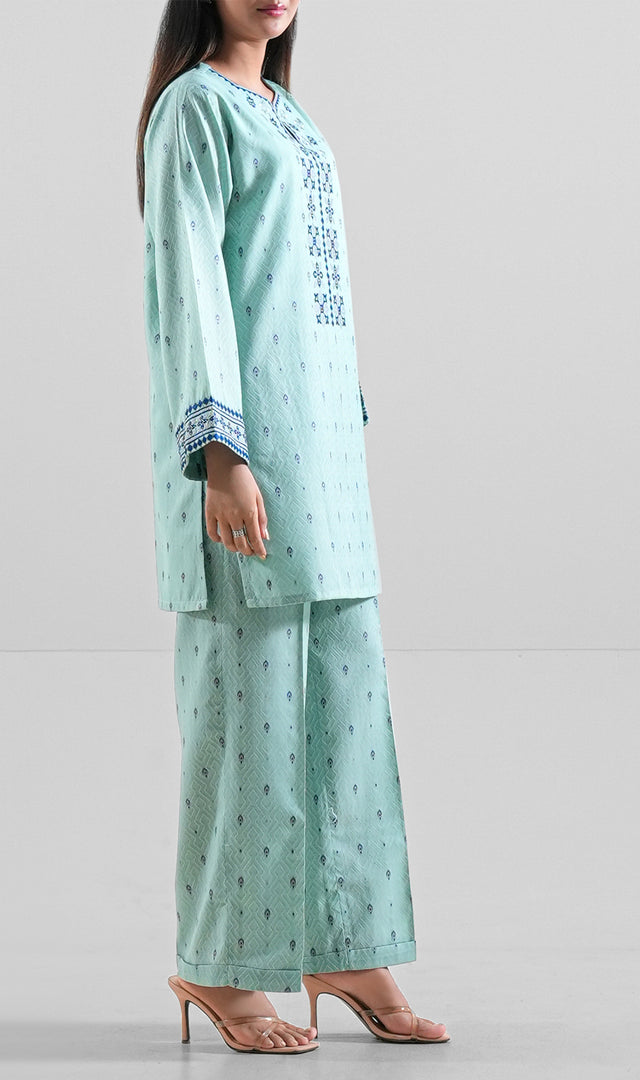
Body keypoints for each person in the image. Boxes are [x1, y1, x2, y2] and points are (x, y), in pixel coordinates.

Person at [136, 0, 450, 1056]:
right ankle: (219, 964)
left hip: (326, 464)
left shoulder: (289, 112)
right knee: (250, 719)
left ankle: (344, 944)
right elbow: (192, 284)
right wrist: (221, 455)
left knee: (346, 711)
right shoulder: (194, 109)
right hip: (247, 457)